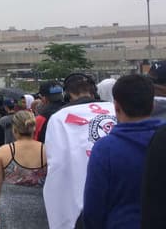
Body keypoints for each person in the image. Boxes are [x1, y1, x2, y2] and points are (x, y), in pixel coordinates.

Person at [84, 75, 161, 229]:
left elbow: (94, 206)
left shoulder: (105, 149)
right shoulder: (161, 138)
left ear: (116, 107)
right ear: (153, 105)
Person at [44, 73, 117, 229]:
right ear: (93, 90)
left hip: (82, 197)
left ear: (67, 93)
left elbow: (57, 165)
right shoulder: (116, 109)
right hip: (121, 195)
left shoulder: (59, 118)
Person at [0, 110, 48, 228]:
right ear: (33, 128)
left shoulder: (4, 151)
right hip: (40, 206)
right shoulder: (46, 150)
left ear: (14, 129)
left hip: (10, 206)